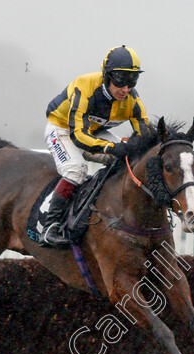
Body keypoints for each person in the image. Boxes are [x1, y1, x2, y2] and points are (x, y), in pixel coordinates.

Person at [41, 45, 149, 246]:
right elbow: (78, 136)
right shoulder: (85, 87)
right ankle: (50, 226)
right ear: (106, 76)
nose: (125, 89)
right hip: (64, 129)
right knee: (76, 169)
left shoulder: (132, 98)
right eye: (120, 81)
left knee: (129, 161)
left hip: (94, 131)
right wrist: (111, 148)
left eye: (132, 82)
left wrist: (134, 144)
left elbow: (145, 132)